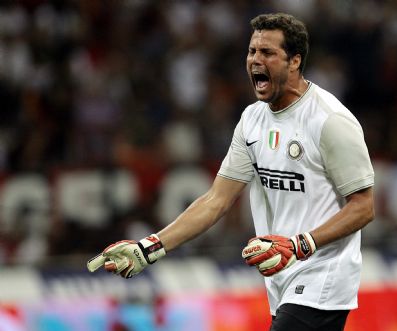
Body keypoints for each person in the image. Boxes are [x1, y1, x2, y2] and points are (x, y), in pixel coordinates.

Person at [87, 13, 375, 331]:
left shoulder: (329, 121)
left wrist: (299, 244)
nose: (255, 60)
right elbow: (216, 200)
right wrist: (150, 247)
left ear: (294, 61)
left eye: (267, 53)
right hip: (280, 278)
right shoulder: (252, 120)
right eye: (252, 51)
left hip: (323, 276)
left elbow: (363, 206)